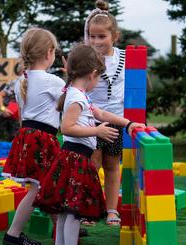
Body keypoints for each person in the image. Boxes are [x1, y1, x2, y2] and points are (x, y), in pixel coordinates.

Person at [34, 44, 145, 245]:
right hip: (75, 159)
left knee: (68, 211)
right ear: (93, 74)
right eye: (98, 78)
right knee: (74, 213)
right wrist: (97, 132)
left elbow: (101, 114)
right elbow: (66, 128)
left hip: (75, 158)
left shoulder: (78, 93)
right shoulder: (76, 97)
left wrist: (128, 124)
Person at [2, 27, 65, 245]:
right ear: (49, 53)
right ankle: (13, 233)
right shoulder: (53, 81)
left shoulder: (21, 81)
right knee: (40, 188)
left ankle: (62, 227)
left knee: (46, 185)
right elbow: (74, 101)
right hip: (42, 139)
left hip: (27, 137)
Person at [83, 0, 128, 225]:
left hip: (115, 121)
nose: (96, 41)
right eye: (92, 36)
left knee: (112, 166)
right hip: (90, 121)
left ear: (114, 36)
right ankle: (90, 209)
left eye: (102, 37)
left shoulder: (125, 58)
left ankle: (112, 210)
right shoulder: (87, 57)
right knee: (93, 165)